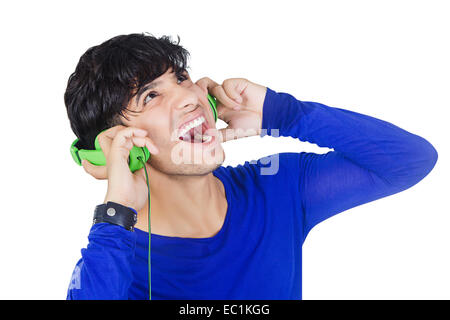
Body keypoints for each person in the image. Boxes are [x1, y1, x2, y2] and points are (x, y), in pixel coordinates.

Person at [64, 33, 438, 300]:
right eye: (151, 95)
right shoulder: (116, 251)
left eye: (181, 78)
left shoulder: (277, 188)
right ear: (117, 146)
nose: (190, 97)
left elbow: (409, 160)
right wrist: (115, 213)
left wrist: (286, 114)